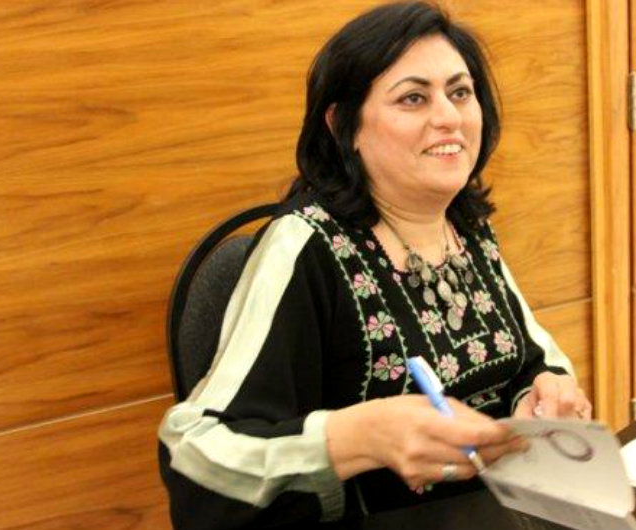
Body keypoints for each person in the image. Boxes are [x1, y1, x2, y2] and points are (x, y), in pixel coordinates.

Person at [158, 2, 592, 528]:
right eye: (413, 98)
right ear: (345, 127)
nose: (449, 117)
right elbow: (195, 454)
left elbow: (531, 359)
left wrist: (542, 394)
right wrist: (356, 437)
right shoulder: (304, 247)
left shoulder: (464, 225)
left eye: (460, 92)